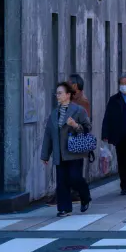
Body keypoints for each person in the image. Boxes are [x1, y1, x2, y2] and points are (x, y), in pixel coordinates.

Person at [41, 82, 93, 217]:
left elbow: (88, 128)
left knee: (74, 178)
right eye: (56, 93)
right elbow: (48, 135)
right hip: (59, 153)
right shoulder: (54, 114)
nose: (57, 95)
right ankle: (64, 208)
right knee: (61, 181)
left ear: (68, 95)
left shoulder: (78, 110)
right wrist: (45, 155)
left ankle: (85, 195)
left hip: (74, 151)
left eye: (60, 93)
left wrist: (75, 125)